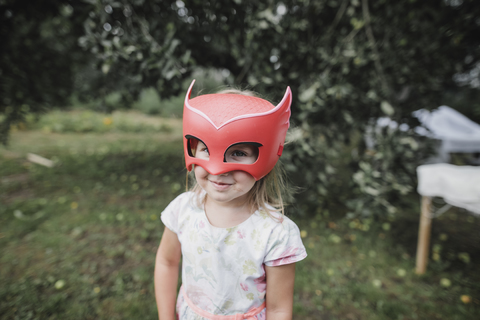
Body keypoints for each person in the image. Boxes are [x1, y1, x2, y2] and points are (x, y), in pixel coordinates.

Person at [154, 80, 307, 320]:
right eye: (206, 148)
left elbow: (278, 308)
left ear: (266, 155)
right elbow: (166, 262)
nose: (218, 169)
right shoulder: (183, 209)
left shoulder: (276, 233)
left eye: (238, 153)